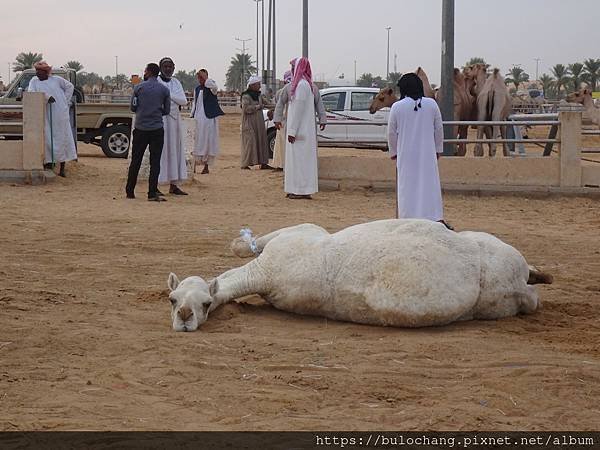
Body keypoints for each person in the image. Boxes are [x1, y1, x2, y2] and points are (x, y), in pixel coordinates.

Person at [387, 73, 452, 229]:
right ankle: (434, 217)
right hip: (427, 155)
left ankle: (407, 217)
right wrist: (437, 150)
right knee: (429, 184)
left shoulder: (397, 107)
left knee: (407, 186)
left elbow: (391, 132)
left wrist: (394, 152)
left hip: (406, 155)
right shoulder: (432, 104)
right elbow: (439, 129)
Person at [125, 63, 171, 202]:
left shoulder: (138, 88)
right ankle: (151, 193)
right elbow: (167, 110)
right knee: (155, 162)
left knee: (136, 160)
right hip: (157, 128)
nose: (144, 72)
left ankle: (130, 191)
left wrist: (143, 112)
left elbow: (133, 108)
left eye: (145, 70)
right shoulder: (164, 90)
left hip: (140, 128)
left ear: (149, 72)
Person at [273, 59, 327, 171]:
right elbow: (280, 104)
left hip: (308, 127)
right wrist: (277, 119)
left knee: (308, 153)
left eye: (294, 67)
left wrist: (323, 118)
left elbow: (319, 104)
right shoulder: (288, 88)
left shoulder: (312, 88)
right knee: (293, 153)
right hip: (292, 125)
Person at [27, 61, 77, 177]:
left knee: (61, 138)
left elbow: (70, 87)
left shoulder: (57, 80)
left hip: (59, 114)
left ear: (46, 72)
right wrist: (46, 97)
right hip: (45, 114)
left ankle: (62, 168)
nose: (37, 73)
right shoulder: (34, 81)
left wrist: (65, 100)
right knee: (47, 138)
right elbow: (32, 93)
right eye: (37, 71)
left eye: (40, 71)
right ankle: (49, 163)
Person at [284, 57, 319, 200]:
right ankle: (299, 190)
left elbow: (297, 111)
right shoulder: (304, 85)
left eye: (293, 67)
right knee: (300, 162)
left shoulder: (302, 86)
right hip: (302, 131)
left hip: (299, 132)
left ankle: (300, 190)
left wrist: (292, 131)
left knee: (299, 162)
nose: (292, 69)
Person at [157, 57, 189, 195]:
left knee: (175, 151)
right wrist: (172, 97)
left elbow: (184, 101)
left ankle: (174, 185)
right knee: (160, 152)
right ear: (160, 68)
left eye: (170, 67)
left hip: (175, 122)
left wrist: (167, 94)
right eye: (165, 66)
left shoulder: (176, 82)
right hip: (161, 121)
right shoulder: (156, 82)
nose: (168, 69)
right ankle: (156, 185)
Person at [191, 68, 224, 175]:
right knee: (197, 141)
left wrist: (206, 79)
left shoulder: (211, 86)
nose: (200, 79)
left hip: (209, 119)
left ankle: (206, 167)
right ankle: (194, 166)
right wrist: (192, 115)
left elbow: (215, 88)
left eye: (202, 77)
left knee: (208, 141)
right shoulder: (196, 89)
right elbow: (195, 103)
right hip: (198, 119)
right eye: (199, 77)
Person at [240, 76, 272, 170]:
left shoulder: (259, 95)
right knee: (250, 142)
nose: (259, 86)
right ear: (252, 85)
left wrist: (276, 107)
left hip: (259, 123)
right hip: (249, 123)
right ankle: (245, 164)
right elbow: (246, 109)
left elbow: (268, 104)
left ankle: (263, 163)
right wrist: (258, 107)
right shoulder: (246, 96)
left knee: (261, 141)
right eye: (258, 84)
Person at [271, 70, 293, 171]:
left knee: (281, 144)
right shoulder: (292, 89)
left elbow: (277, 105)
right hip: (287, 121)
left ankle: (281, 164)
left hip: (282, 122)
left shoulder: (281, 91)